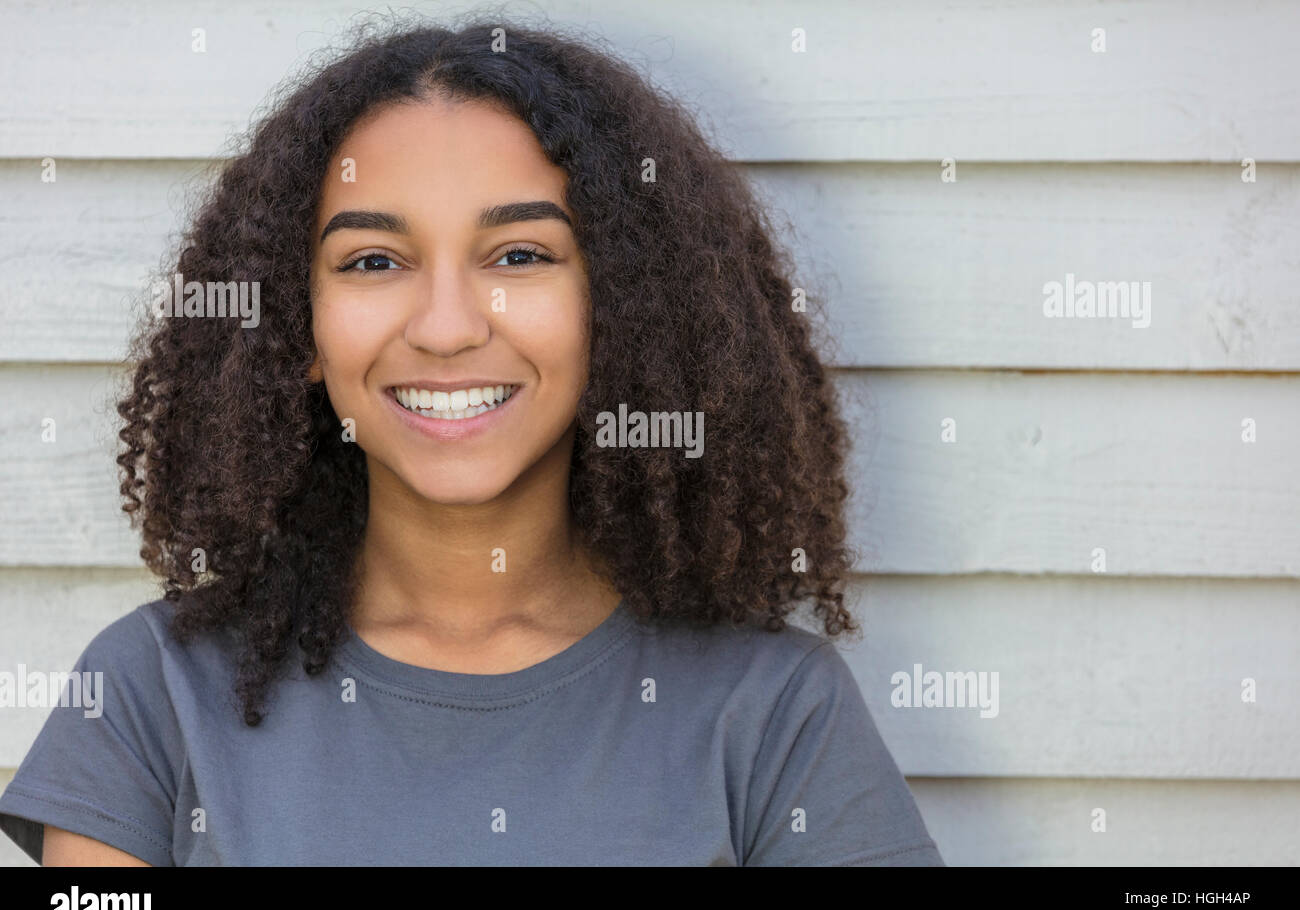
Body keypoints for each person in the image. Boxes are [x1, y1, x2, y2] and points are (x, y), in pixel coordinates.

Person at [0, 17, 943, 866]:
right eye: (373, 261)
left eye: (520, 256)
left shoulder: (776, 714)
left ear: (622, 310)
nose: (446, 327)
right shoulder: (152, 693)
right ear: (296, 333)